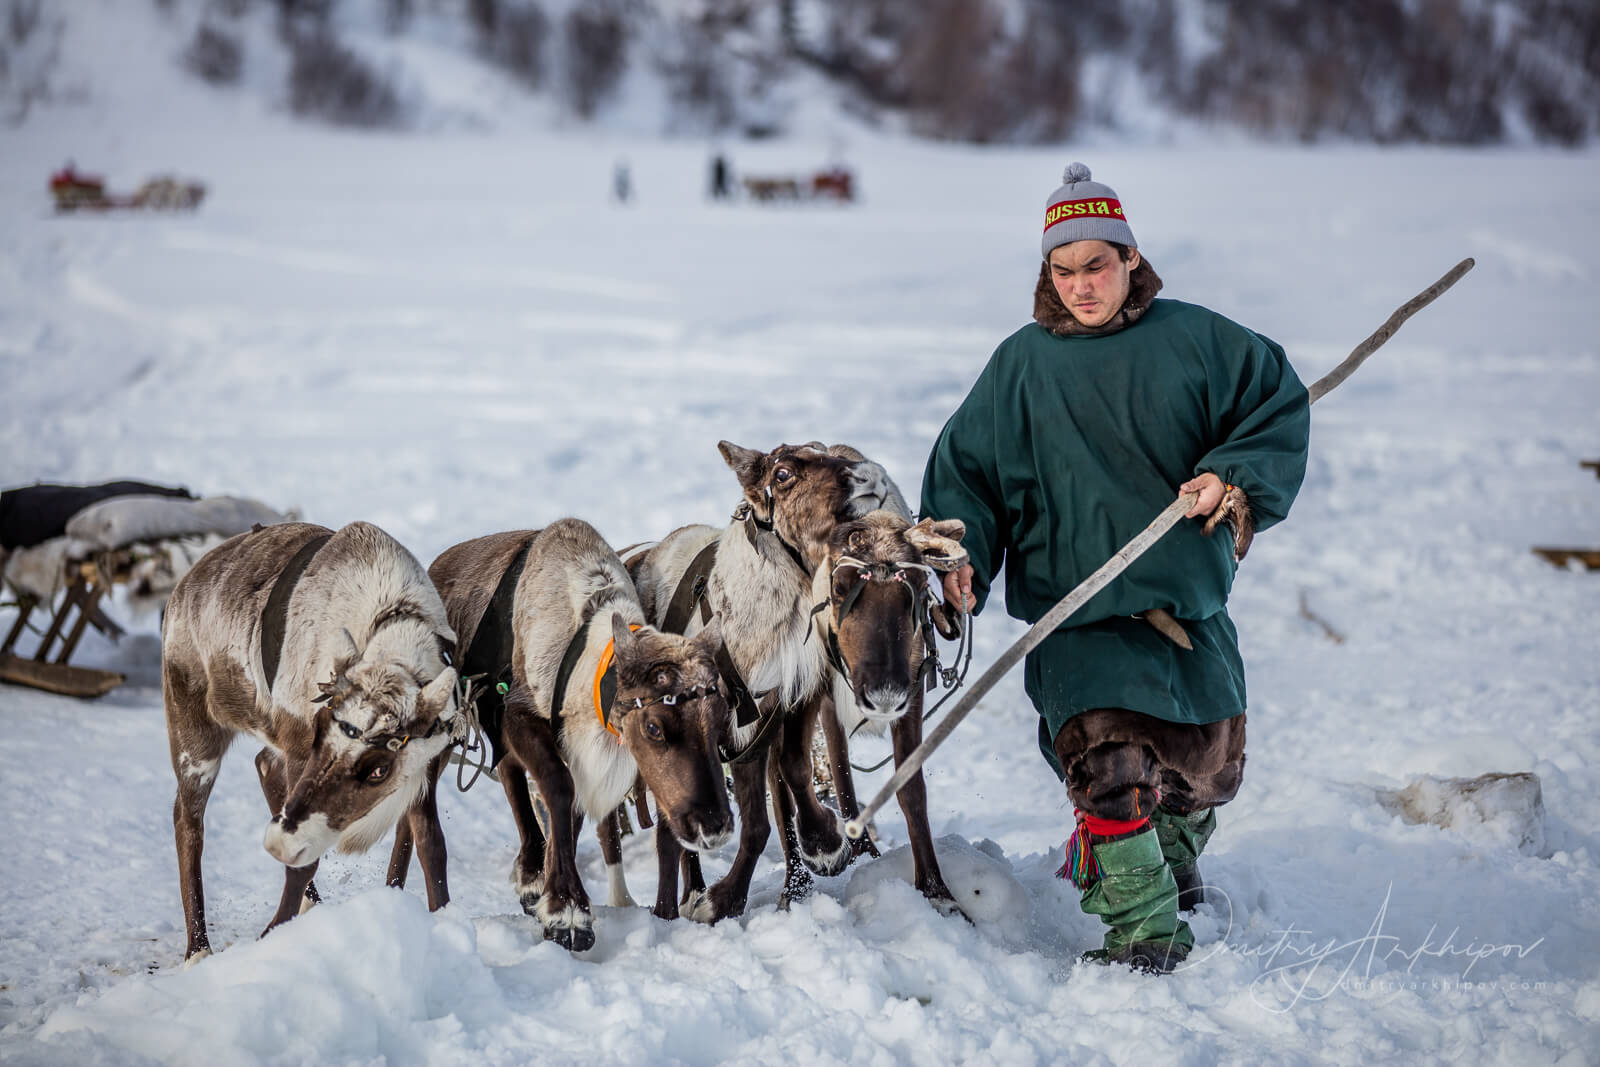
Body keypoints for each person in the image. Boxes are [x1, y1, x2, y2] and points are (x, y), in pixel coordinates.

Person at [919, 163, 1310, 973]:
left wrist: (1232, 475)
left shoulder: (1196, 341)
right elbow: (970, 482)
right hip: (1079, 617)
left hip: (1183, 610)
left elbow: (1277, 403)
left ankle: (1167, 858)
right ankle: (1146, 930)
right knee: (1110, 767)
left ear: (1130, 258)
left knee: (1207, 767)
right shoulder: (1020, 367)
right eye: (1062, 270)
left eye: (1095, 264)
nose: (1079, 285)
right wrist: (962, 561)